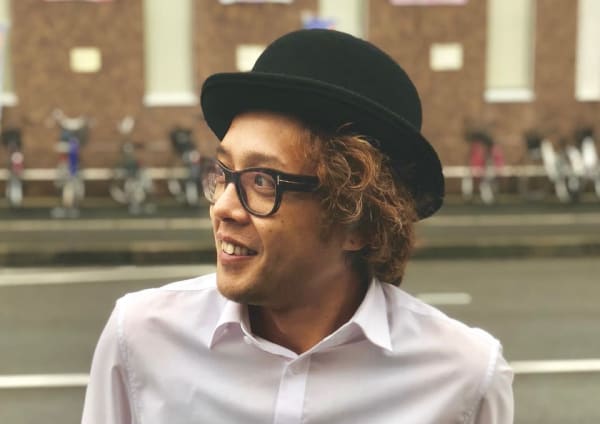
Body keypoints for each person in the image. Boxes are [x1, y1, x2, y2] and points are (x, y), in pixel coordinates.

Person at [82, 29, 514, 424]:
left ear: (359, 222)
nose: (224, 208)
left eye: (262, 182)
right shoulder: (140, 338)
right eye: (224, 172)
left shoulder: (465, 381)